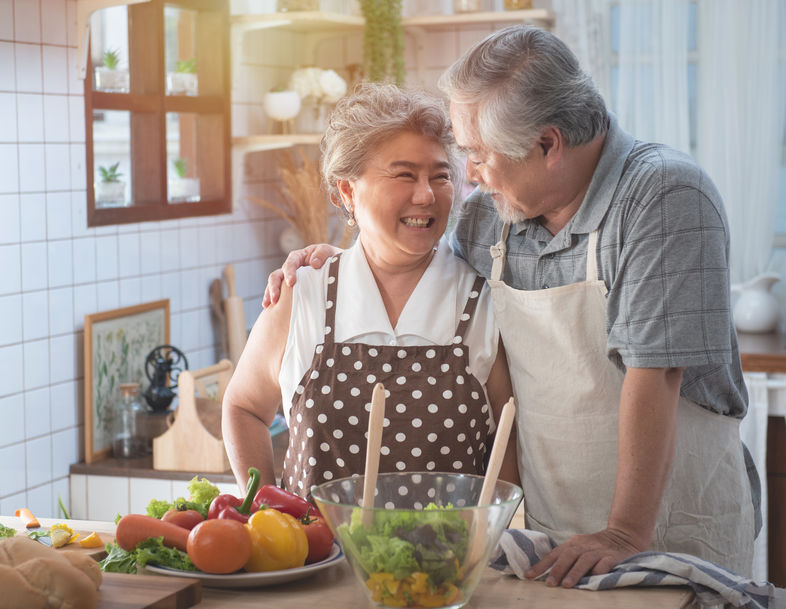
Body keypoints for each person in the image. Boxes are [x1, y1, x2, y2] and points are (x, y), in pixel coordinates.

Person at [264, 25, 760, 585]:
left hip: (665, 535)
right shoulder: (489, 218)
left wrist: (624, 532)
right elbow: (416, 262)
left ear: (547, 145)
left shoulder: (663, 198)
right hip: (555, 542)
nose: (469, 174)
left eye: (477, 155)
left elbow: (656, 372)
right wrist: (344, 260)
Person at [223, 82, 518, 503]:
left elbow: (508, 445)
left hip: (444, 565)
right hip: (315, 564)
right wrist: (265, 508)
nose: (426, 195)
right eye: (404, 175)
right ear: (347, 191)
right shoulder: (302, 296)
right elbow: (244, 408)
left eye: (440, 176)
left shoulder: (482, 301)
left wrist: (490, 539)